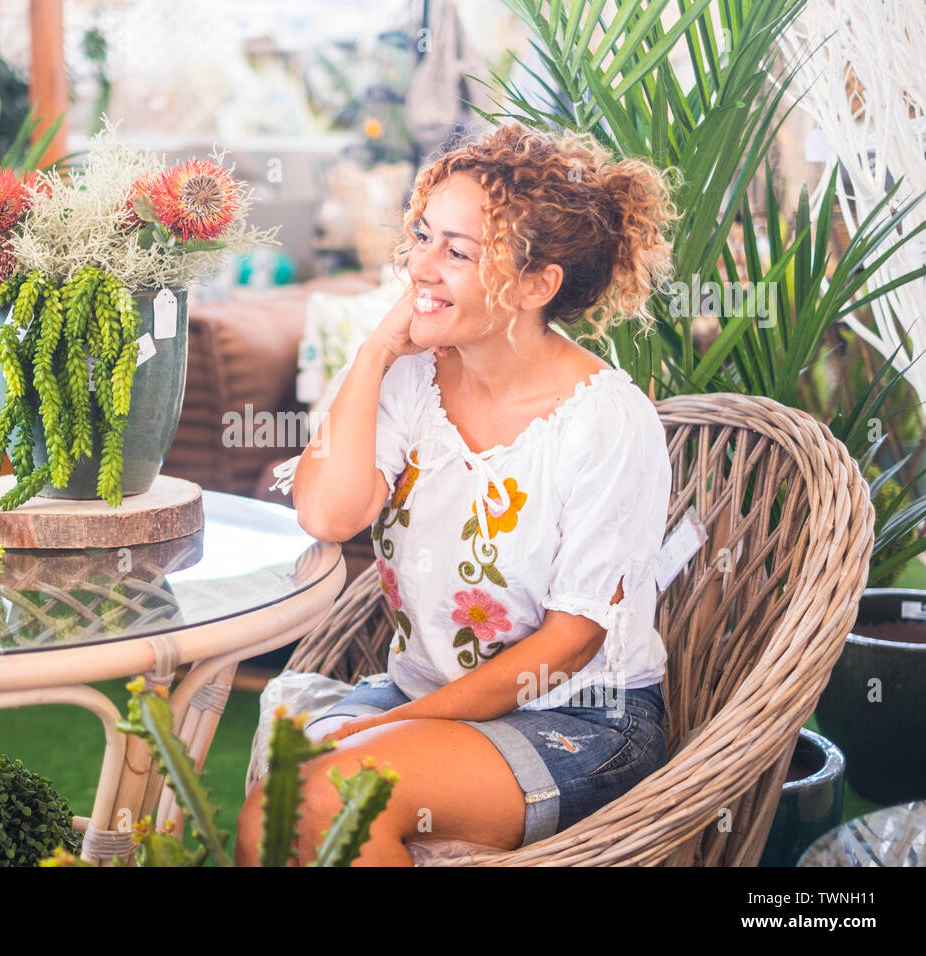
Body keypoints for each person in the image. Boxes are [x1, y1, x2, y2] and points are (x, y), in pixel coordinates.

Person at [237, 121, 682, 866]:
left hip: (578, 718)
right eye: (421, 235)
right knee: (269, 817)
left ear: (539, 286)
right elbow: (329, 512)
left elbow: (573, 642)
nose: (421, 266)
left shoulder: (605, 420)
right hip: (424, 697)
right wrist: (377, 351)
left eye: (459, 252)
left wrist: (405, 723)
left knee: (321, 802)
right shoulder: (412, 378)